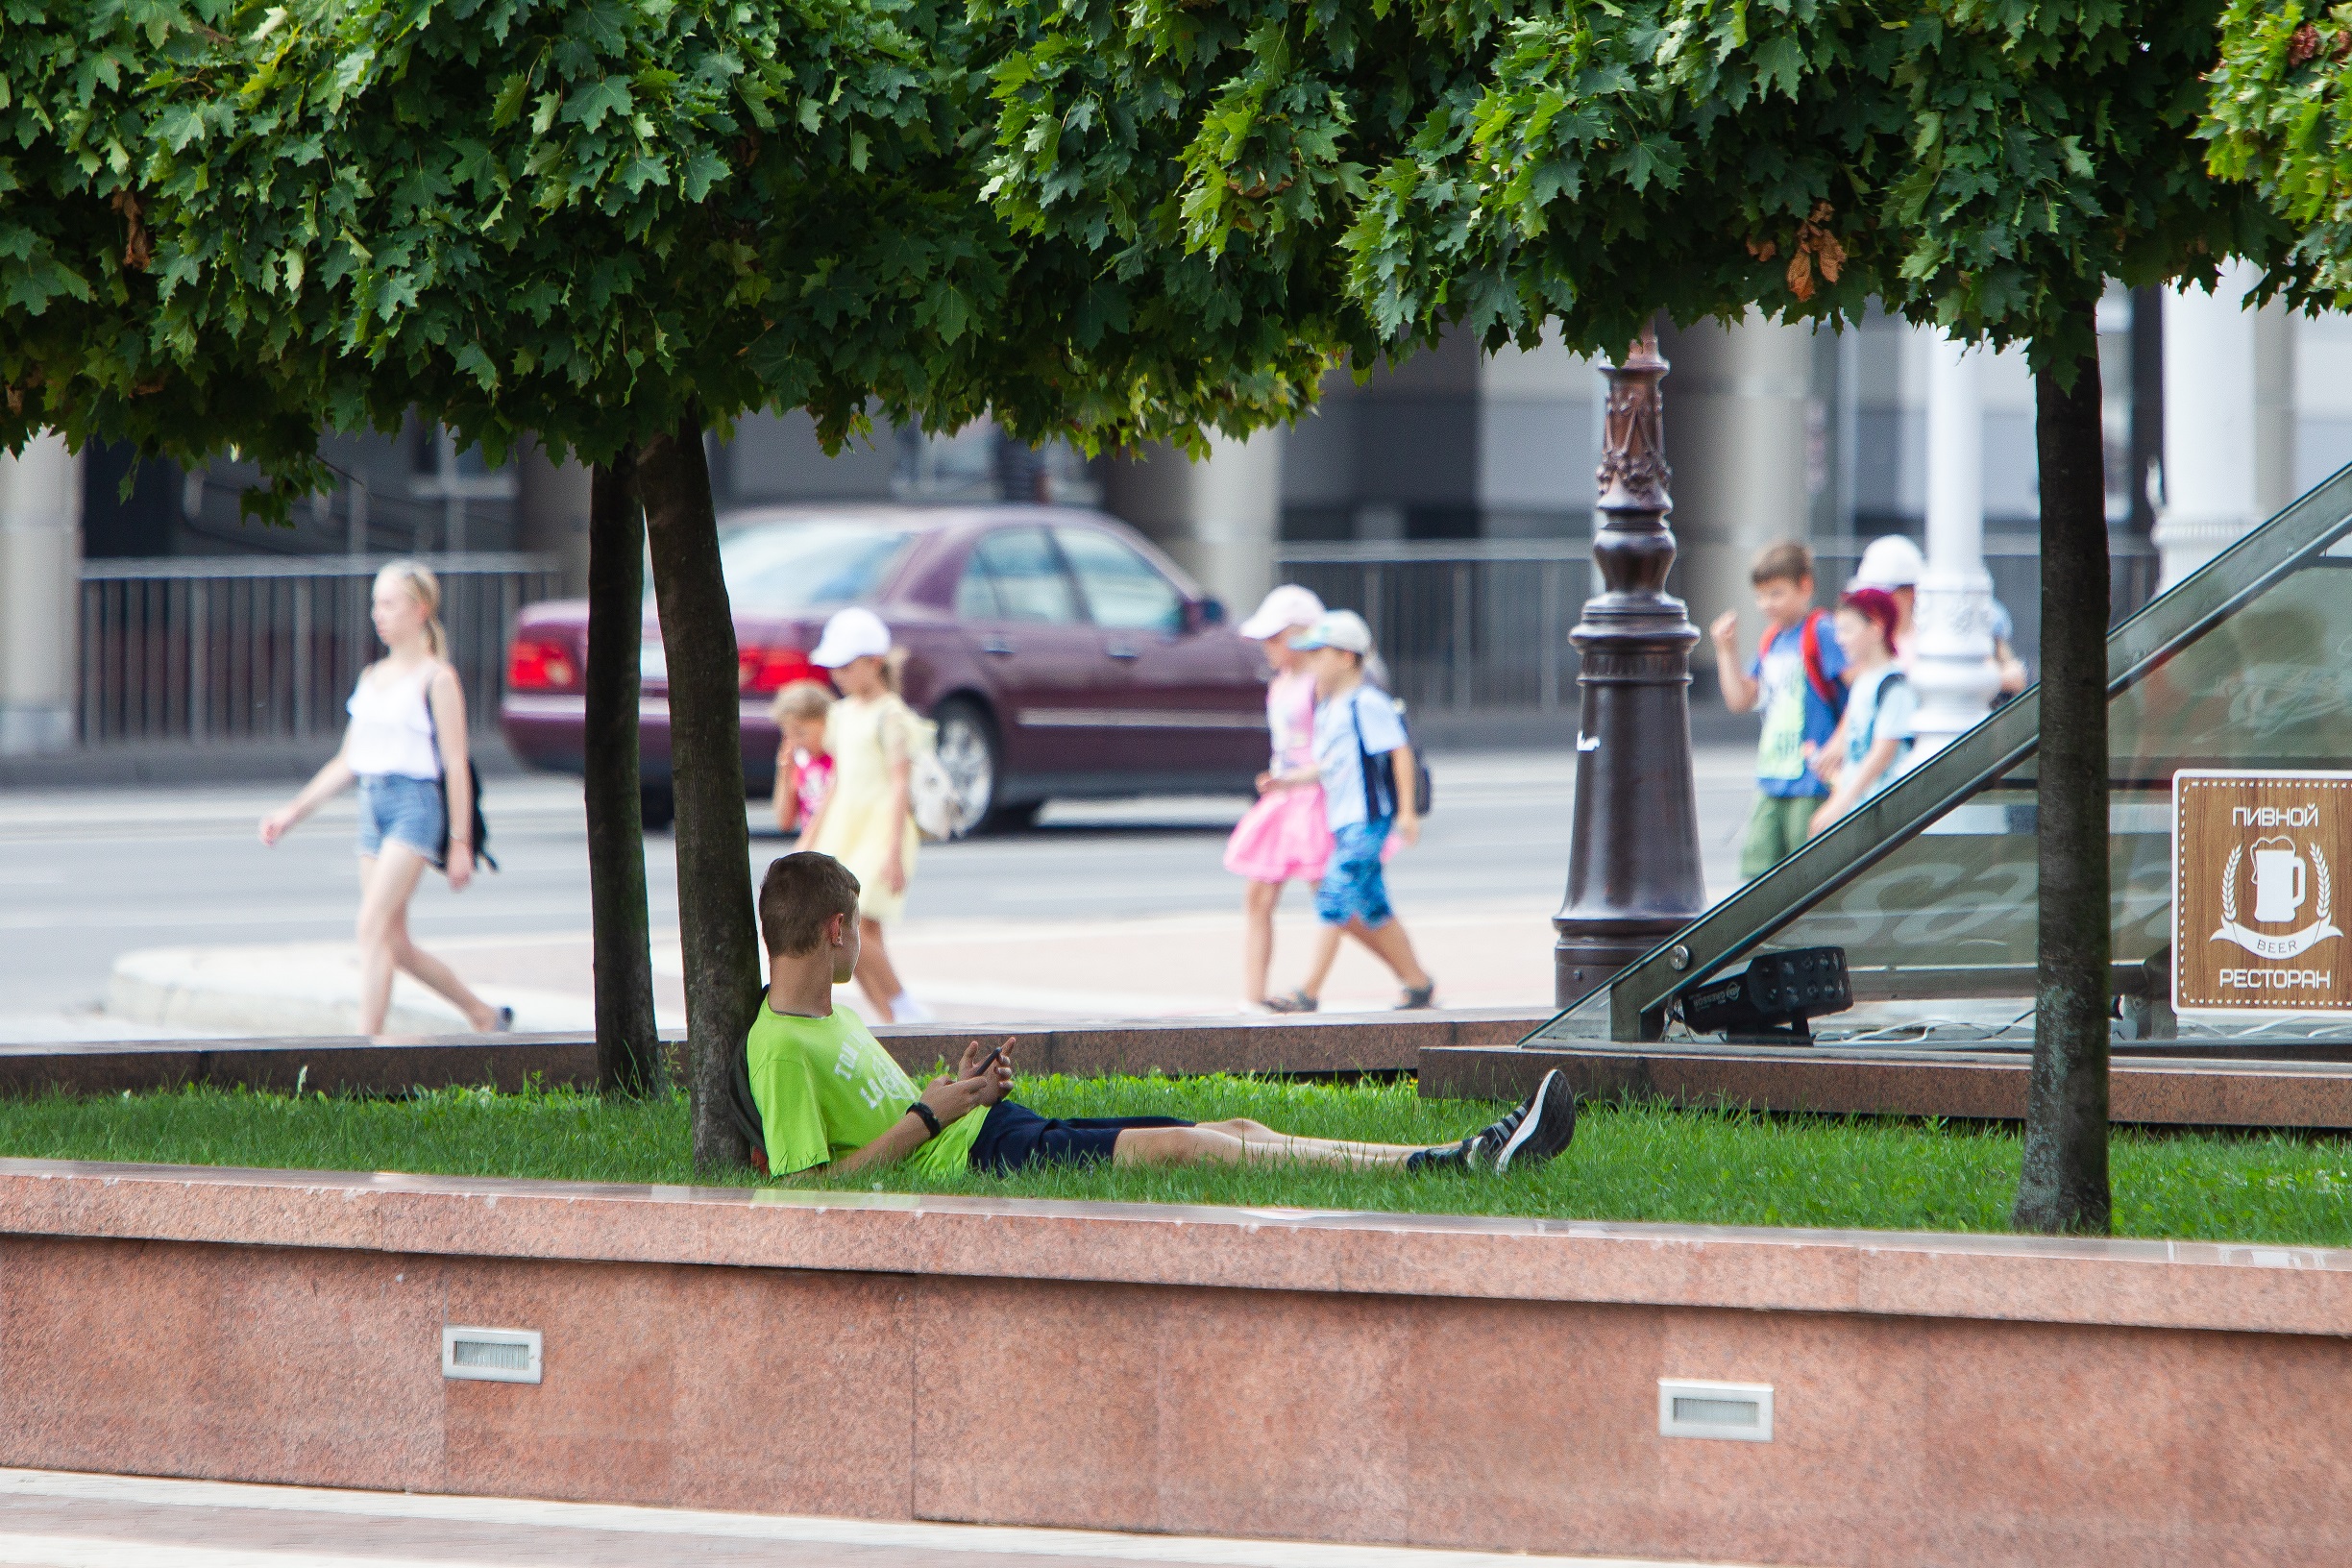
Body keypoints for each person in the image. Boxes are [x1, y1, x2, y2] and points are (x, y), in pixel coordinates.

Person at [746, 851, 1577, 1177]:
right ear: (835, 929)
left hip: (992, 1132)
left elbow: (891, 1121)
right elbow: (797, 1198)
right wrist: (932, 1115)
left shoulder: (830, 1021)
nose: (864, 942)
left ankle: (1454, 1154)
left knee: (1239, 1126)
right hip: (979, 1164)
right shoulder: (780, 1046)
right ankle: (1444, 1166)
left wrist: (959, 1090)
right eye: (858, 926)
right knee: (1186, 1147)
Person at [257, 561, 511, 1037]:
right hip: (372, 806)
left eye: (388, 604)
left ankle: (365, 1048)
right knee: (393, 939)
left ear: (420, 610)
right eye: (375, 604)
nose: (378, 614)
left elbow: (456, 763)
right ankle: (482, 1014)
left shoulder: (437, 678)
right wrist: (291, 813)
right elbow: (347, 761)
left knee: (370, 926)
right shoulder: (372, 677)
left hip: (416, 807)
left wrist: (461, 842)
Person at [1264, 610, 1434, 1013]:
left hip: (1366, 821)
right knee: (1375, 908)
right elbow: (1330, 766)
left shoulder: (1366, 703)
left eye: (1318, 654)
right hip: (1342, 821)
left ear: (1346, 657)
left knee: (1333, 897)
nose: (1310, 663)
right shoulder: (1330, 708)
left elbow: (1399, 753)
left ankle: (1308, 991)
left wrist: (1406, 812)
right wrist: (1289, 781)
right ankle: (1418, 982)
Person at [800, 606, 932, 1023]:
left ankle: (903, 1009)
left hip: (881, 830)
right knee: (851, 933)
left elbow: (898, 785)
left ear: (874, 663)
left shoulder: (891, 715)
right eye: (834, 666)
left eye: (847, 665)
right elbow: (837, 782)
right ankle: (891, 1018)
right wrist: (811, 837)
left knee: (861, 924)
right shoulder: (840, 715)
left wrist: (893, 853)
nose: (837, 675)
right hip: (845, 828)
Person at [1221, 584, 1332, 1011]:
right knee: (1259, 896)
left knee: (1338, 902)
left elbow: (1333, 748)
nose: (1268, 648)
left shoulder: (1319, 684)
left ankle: (1410, 974)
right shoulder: (1282, 683)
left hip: (1313, 798)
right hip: (1283, 798)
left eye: (1275, 638)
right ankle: (1253, 998)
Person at [1709, 541, 1848, 881]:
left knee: (1807, 878)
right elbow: (1740, 699)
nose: (1766, 604)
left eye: (1776, 593)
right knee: (1757, 873)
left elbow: (1859, 691)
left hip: (1812, 780)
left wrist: (1839, 743)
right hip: (1772, 776)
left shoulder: (1822, 631)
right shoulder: (1772, 639)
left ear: (1805, 586)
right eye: (1761, 596)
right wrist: (1725, 651)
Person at [1809, 587, 1917, 834]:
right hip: (1861, 809)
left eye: (1847, 629)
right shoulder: (1862, 682)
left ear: (1876, 628)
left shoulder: (1895, 686)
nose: (1839, 639)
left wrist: (1842, 804)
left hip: (1881, 813)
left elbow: (1882, 756)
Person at [769, 678, 837, 843]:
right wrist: (785, 772)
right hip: (816, 849)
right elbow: (785, 822)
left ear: (827, 722)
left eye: (800, 733)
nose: (795, 742)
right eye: (788, 735)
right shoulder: (800, 761)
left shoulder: (839, 757)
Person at [1849, 534, 1924, 662]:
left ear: (1910, 594)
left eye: (1882, 595)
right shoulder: (1857, 649)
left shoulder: (1926, 650)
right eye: (1865, 596)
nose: (1873, 603)